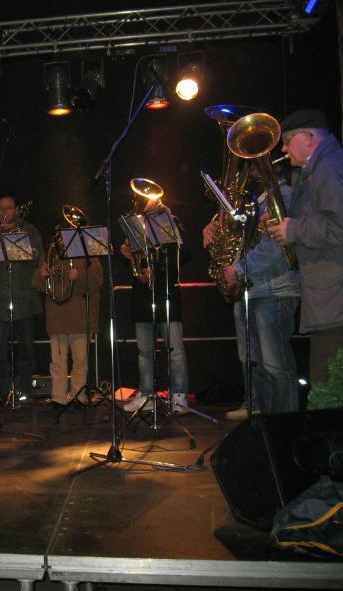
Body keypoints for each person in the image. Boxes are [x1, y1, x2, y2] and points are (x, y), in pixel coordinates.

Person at [204, 172, 301, 420]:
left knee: (275, 364)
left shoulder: (282, 195)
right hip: (249, 289)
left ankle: (284, 423)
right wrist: (215, 228)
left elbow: (277, 246)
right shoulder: (250, 203)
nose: (248, 172)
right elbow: (238, 240)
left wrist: (238, 269)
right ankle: (259, 413)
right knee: (251, 360)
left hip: (274, 289)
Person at [268, 109, 343, 389]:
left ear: (308, 137)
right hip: (328, 297)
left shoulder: (328, 169)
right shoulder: (319, 169)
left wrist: (294, 230)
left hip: (334, 300)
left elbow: (339, 226)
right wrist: (282, 222)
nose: (284, 149)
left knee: (327, 388)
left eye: (288, 141)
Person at [120, 205, 190, 413]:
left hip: (167, 295)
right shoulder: (135, 225)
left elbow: (184, 255)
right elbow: (133, 262)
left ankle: (179, 396)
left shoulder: (171, 222)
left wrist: (156, 268)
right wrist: (127, 256)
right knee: (144, 352)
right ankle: (146, 394)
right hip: (143, 298)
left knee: (175, 351)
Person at [0, 195, 44, 403]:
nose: (4, 212)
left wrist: (18, 239)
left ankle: (24, 392)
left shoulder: (29, 230)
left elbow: (38, 257)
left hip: (24, 298)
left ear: (16, 209)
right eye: (0, 209)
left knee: (26, 349)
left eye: (8, 208)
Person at [32, 237, 103, 410]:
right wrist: (41, 275)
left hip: (80, 316)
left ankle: (79, 396)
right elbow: (36, 283)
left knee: (80, 360)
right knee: (57, 362)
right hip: (57, 316)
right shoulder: (51, 254)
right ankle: (58, 397)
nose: (62, 240)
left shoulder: (87, 254)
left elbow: (97, 281)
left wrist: (79, 277)